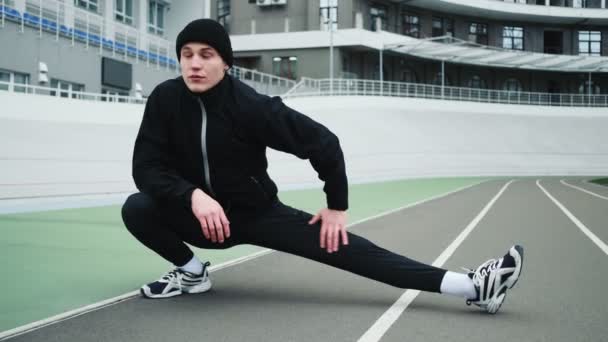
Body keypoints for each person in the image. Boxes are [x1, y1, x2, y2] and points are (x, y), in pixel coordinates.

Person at [121, 19, 524, 314]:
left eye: (206, 55)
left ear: (225, 62)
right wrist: (192, 195)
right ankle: (192, 273)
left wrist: (335, 205)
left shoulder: (252, 107)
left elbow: (323, 143)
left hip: (256, 215)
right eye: (186, 55)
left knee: (353, 252)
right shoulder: (165, 100)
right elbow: (147, 167)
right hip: (201, 220)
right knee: (137, 207)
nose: (194, 63)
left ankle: (471, 286)